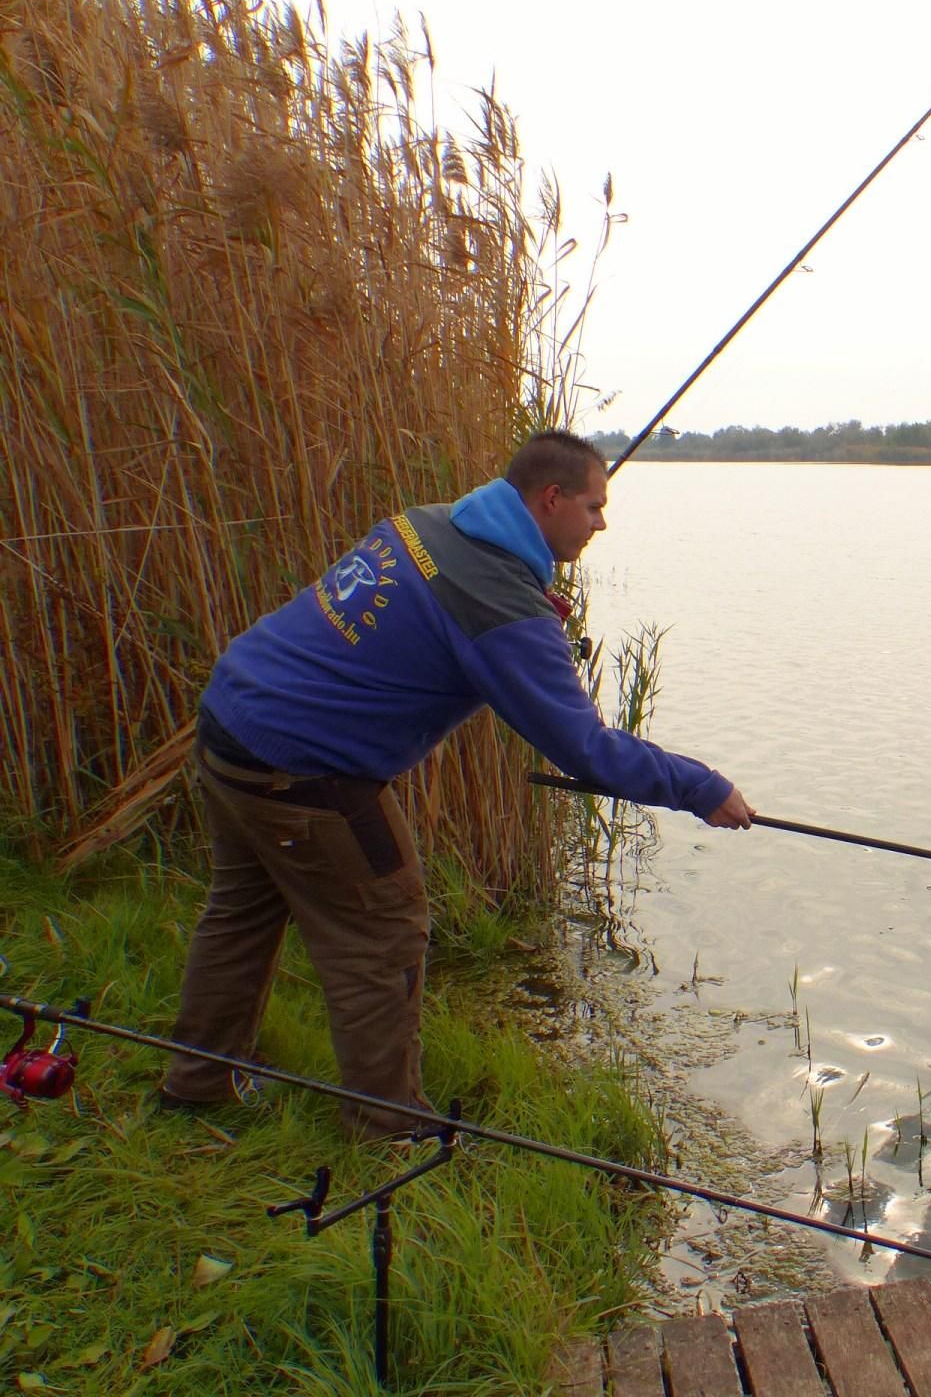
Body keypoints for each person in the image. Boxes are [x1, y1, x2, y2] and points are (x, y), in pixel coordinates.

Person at [162, 430, 752, 1137]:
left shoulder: (430, 521)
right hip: (301, 769)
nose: (602, 522)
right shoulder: (501, 609)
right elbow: (586, 749)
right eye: (594, 506)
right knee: (382, 932)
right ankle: (386, 1128)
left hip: (232, 716)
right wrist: (701, 786)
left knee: (241, 913)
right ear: (550, 498)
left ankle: (197, 1083)